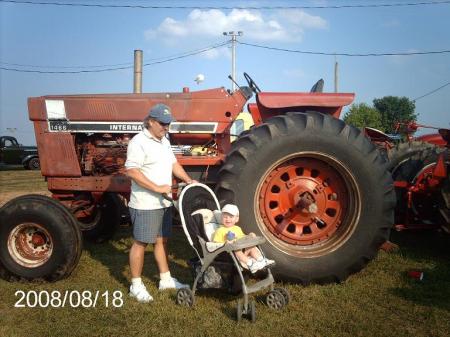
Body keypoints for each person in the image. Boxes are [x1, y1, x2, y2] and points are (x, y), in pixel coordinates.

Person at [125, 103, 196, 303]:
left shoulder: (164, 140)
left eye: (169, 124)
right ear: (150, 121)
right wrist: (157, 188)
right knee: (141, 243)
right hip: (145, 203)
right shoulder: (138, 142)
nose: (166, 127)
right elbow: (132, 171)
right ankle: (135, 286)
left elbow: (174, 164)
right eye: (163, 124)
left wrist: (188, 180)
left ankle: (165, 279)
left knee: (162, 240)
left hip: (164, 202)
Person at [212, 204, 275, 274]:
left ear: (236, 219)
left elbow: (243, 238)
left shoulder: (237, 228)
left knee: (252, 246)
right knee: (237, 249)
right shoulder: (220, 230)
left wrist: (250, 236)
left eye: (231, 217)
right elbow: (215, 245)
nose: (228, 219)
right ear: (221, 218)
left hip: (243, 250)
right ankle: (250, 264)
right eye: (225, 217)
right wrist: (226, 243)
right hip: (232, 254)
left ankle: (261, 260)